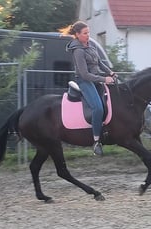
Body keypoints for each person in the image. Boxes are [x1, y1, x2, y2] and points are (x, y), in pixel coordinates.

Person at [59, 21, 116, 156]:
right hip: (85, 81)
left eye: (88, 33)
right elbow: (85, 74)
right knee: (98, 107)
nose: (88, 35)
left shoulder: (90, 45)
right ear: (77, 35)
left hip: (96, 79)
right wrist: (104, 79)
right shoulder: (78, 51)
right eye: (85, 33)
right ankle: (96, 141)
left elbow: (100, 62)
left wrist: (110, 72)